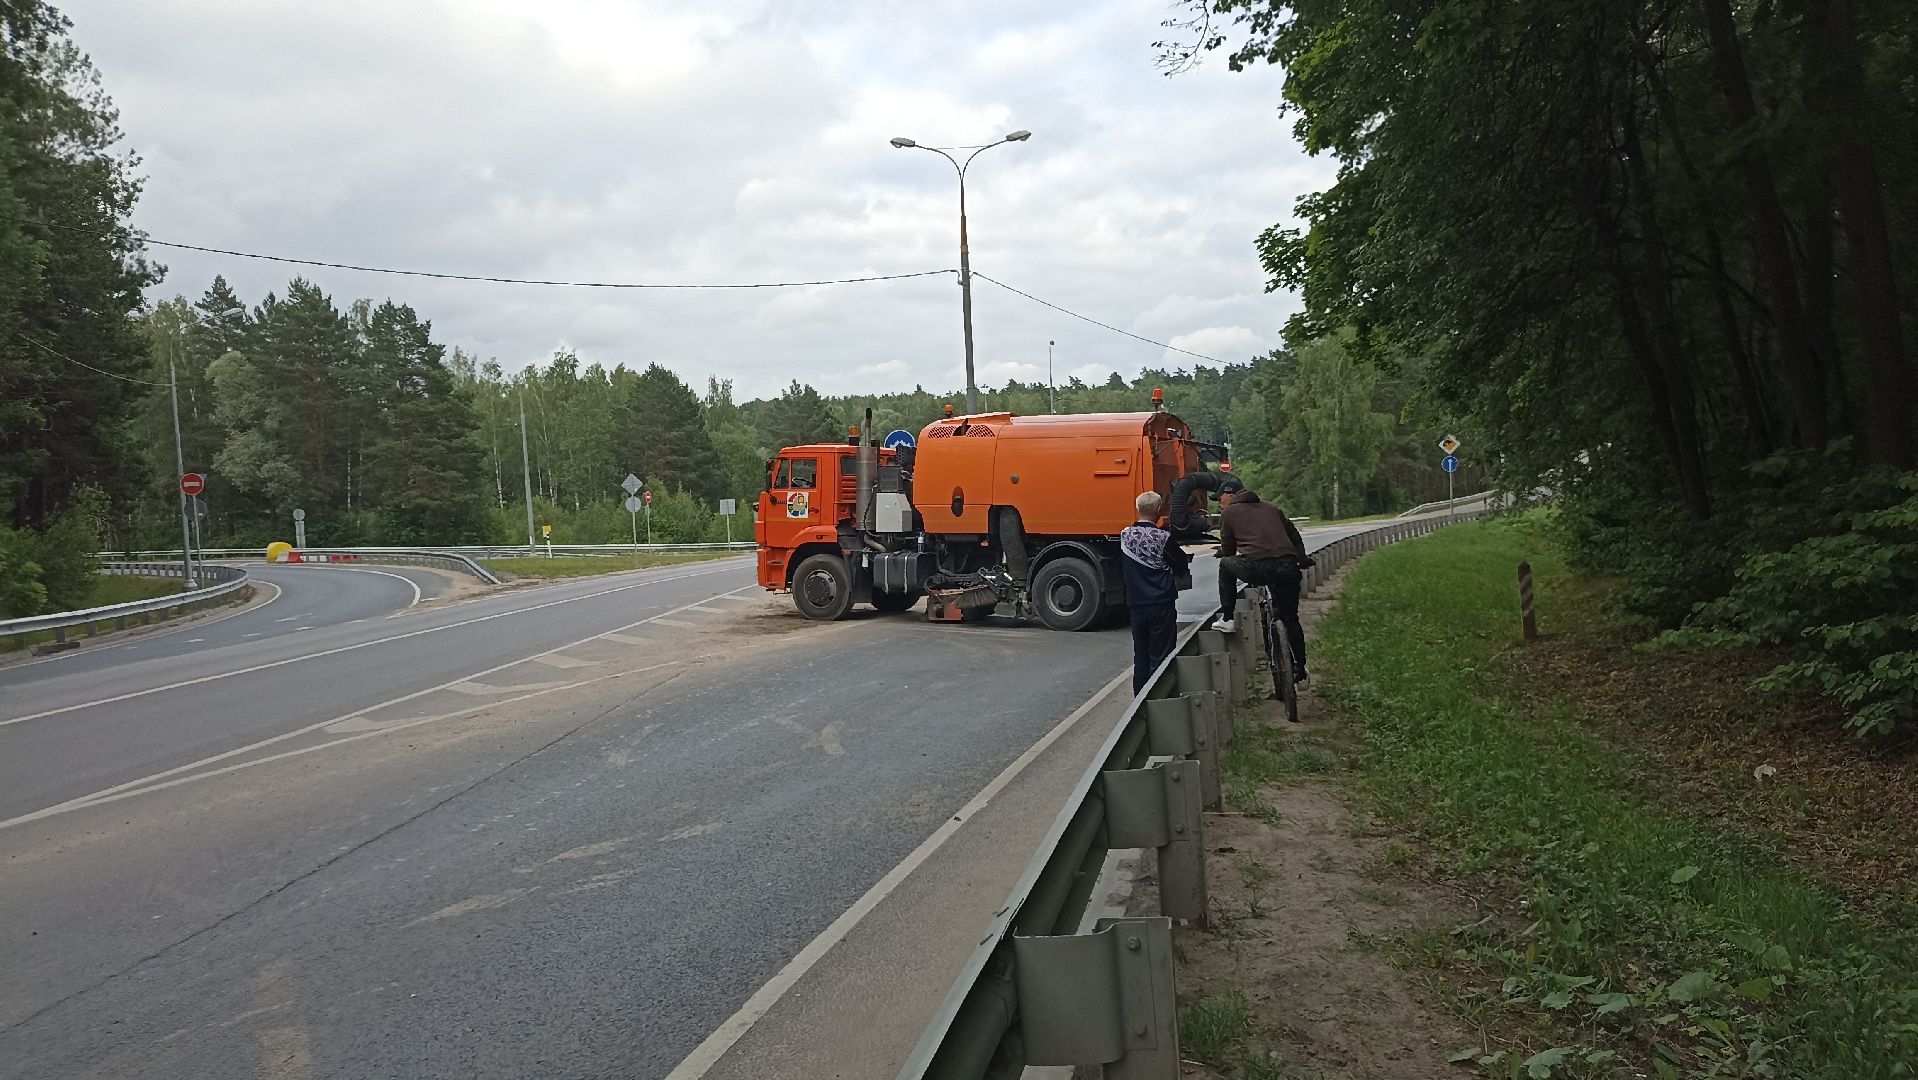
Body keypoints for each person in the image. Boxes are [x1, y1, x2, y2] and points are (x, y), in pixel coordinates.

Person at [1212, 488, 1310, 684]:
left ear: (1230, 496)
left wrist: (1223, 552)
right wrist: (1302, 559)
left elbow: (1229, 550)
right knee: (1291, 618)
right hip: (1288, 566)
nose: (1218, 504)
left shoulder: (1229, 513)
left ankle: (1228, 618)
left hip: (1259, 568)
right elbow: (1294, 536)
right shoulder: (1272, 508)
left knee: (1226, 564)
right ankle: (1300, 669)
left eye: (1219, 499)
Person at [1119, 490, 1190, 693]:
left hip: (1136, 605)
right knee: (1161, 656)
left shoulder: (1125, 535)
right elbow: (1180, 564)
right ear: (1159, 510)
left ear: (1137, 509)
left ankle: (1140, 699)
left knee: (1140, 656)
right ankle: (1160, 697)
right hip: (1161, 603)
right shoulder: (1163, 538)